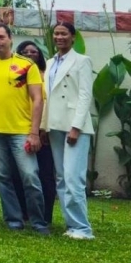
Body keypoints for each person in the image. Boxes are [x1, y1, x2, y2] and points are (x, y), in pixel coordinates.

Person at [0, 23, 49, 235]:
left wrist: (34, 131)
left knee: (30, 175)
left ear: (10, 39)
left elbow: (38, 100)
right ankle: (13, 220)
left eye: (1, 37)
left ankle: (39, 222)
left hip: (22, 130)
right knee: (1, 177)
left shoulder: (27, 65)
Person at [43, 22, 95, 240]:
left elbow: (85, 95)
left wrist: (76, 126)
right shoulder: (50, 62)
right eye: (56, 33)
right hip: (54, 125)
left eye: (64, 33)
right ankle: (71, 224)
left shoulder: (82, 61)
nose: (59, 37)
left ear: (73, 37)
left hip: (75, 126)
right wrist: (44, 126)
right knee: (62, 178)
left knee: (74, 178)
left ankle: (83, 228)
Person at [14, 40, 56, 225]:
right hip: (20, 130)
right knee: (20, 174)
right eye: (25, 52)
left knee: (45, 174)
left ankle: (45, 216)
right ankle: (24, 213)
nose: (30, 54)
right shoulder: (16, 76)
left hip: (43, 132)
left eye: (34, 52)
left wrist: (42, 129)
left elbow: (47, 104)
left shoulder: (47, 76)